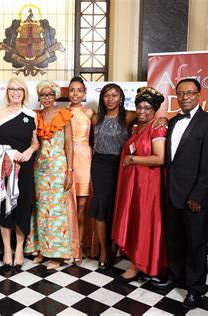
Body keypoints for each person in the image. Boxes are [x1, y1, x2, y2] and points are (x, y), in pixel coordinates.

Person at [152, 78, 208, 310]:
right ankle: (176, 277)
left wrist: (198, 195)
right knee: (175, 240)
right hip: (173, 194)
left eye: (190, 93)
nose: (185, 97)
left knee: (196, 245)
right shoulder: (173, 122)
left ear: (199, 95)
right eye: (181, 93)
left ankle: (195, 290)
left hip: (195, 197)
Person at [112, 87, 168, 282]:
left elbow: (160, 158)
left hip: (148, 184)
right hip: (135, 182)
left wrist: (133, 160)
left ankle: (141, 265)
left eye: (147, 108)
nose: (142, 111)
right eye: (139, 107)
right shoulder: (137, 126)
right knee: (136, 220)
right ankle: (137, 260)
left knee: (145, 221)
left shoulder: (157, 127)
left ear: (155, 110)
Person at [0, 77, 39, 270]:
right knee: (5, 207)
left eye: (19, 89)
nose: (15, 92)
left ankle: (19, 249)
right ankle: (7, 249)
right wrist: (9, 151)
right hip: (5, 167)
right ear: (7, 92)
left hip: (24, 167)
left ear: (24, 92)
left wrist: (29, 151)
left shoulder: (31, 114)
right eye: (11, 89)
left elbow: (35, 142)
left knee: (23, 207)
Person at [24, 80, 75, 270]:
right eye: (43, 95)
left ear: (55, 96)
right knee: (39, 209)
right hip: (39, 168)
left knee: (56, 212)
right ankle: (41, 250)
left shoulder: (64, 115)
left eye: (50, 94)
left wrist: (70, 171)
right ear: (39, 97)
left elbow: (69, 144)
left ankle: (57, 254)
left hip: (58, 167)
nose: (46, 98)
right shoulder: (34, 116)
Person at [87, 83, 134, 269]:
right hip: (99, 166)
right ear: (102, 98)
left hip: (121, 166)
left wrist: (163, 119)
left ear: (121, 97)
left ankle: (114, 246)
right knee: (100, 207)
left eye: (114, 95)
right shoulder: (96, 117)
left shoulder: (130, 116)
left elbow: (151, 115)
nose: (110, 99)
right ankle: (104, 250)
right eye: (107, 95)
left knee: (117, 207)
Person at [68, 76, 95, 263]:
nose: (75, 93)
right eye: (71, 90)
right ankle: (67, 244)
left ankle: (78, 246)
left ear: (84, 92)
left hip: (85, 159)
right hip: (68, 160)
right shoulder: (62, 112)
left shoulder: (90, 112)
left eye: (79, 90)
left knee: (82, 206)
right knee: (68, 206)